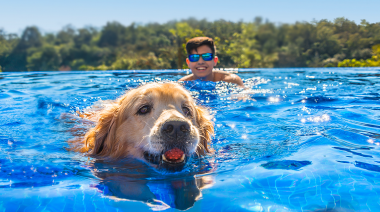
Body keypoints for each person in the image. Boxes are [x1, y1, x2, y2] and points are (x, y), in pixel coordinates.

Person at [178, 37, 245, 87]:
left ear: (215, 61)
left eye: (207, 56)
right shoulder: (181, 86)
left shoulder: (231, 81)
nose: (200, 62)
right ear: (188, 62)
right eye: (194, 57)